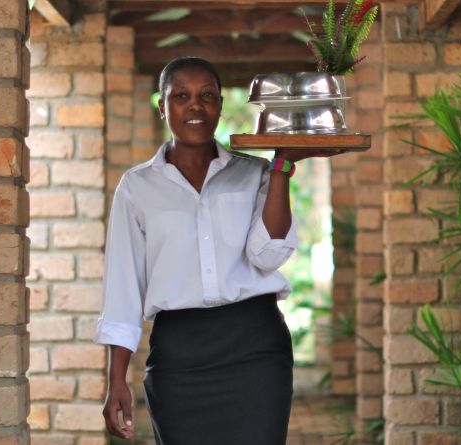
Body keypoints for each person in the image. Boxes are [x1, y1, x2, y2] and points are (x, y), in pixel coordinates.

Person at [94, 56, 338, 445]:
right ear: (162, 106)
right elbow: (123, 291)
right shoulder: (136, 188)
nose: (195, 105)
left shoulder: (254, 172)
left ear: (221, 105)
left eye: (207, 95)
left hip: (256, 350)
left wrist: (280, 169)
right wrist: (116, 380)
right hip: (179, 357)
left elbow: (269, 255)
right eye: (181, 96)